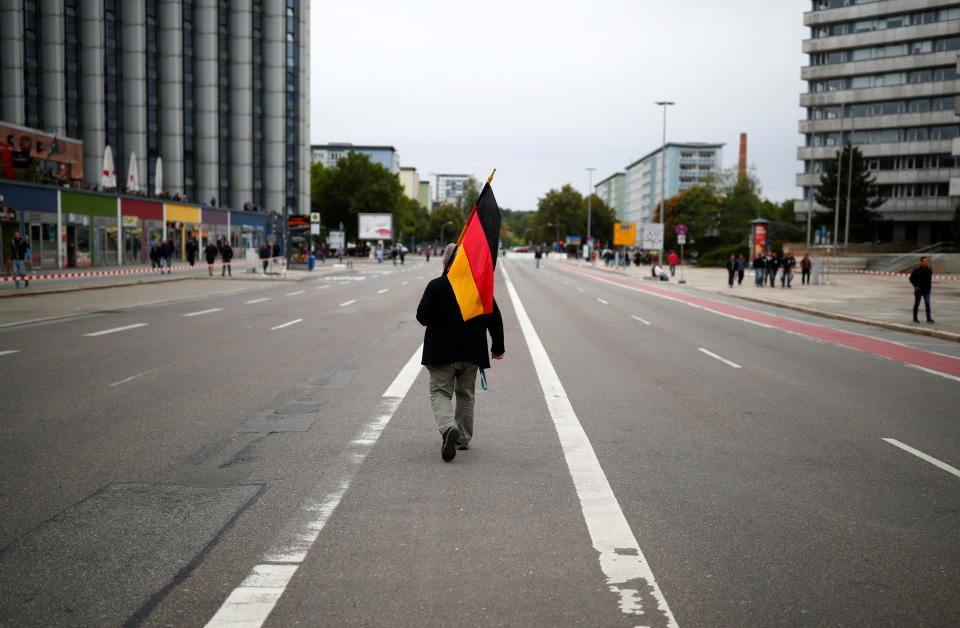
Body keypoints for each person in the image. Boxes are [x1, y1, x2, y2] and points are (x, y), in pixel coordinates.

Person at [416, 244, 505, 462]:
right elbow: (495, 318)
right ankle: (462, 438)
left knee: (440, 393)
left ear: (445, 263)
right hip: (471, 351)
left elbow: (423, 317)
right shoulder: (478, 288)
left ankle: (448, 428)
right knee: (466, 394)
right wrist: (498, 347)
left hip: (440, 353)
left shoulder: (436, 286)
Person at [909, 256, 934, 323]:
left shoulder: (929, 270)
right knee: (917, 303)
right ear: (921, 262)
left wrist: (930, 288)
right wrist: (915, 285)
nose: (926, 262)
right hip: (919, 289)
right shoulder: (917, 269)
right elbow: (911, 278)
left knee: (927, 303)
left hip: (926, 290)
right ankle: (915, 318)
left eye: (927, 261)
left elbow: (929, 280)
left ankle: (928, 318)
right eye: (925, 261)